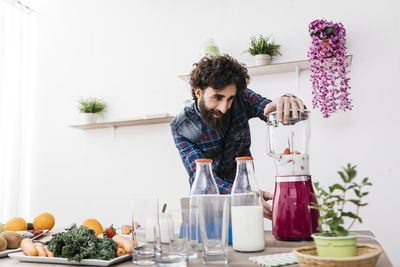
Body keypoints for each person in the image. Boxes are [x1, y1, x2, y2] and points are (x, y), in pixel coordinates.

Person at [170, 54, 305, 219]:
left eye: (230, 99)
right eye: (217, 97)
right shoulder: (181, 127)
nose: (224, 107)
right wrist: (245, 196)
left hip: (245, 206)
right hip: (206, 209)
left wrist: (287, 101)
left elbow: (275, 112)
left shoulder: (242, 98)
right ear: (199, 92)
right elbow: (204, 179)